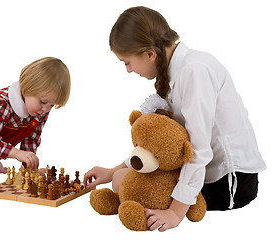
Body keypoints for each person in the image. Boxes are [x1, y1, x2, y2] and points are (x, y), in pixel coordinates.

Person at [83, 6, 266, 232]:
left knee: (123, 182)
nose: (128, 70)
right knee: (119, 178)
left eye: (127, 62)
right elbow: (160, 146)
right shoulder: (173, 72)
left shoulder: (195, 71)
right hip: (204, 172)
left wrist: (175, 212)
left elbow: (198, 150)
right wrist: (112, 170)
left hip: (230, 182)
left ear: (150, 53)